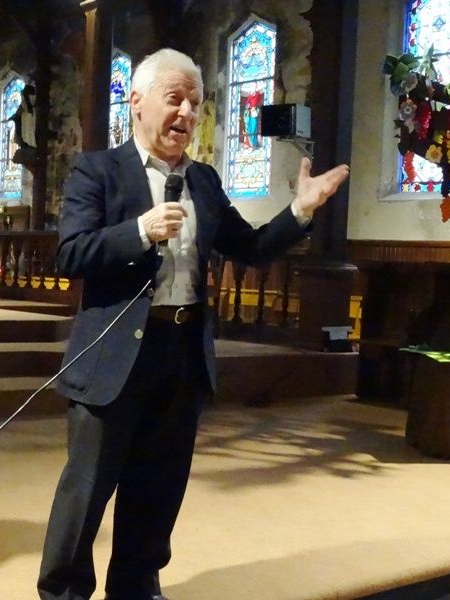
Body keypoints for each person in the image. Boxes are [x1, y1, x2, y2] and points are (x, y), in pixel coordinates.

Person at [37, 48, 349, 600]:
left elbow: (250, 247)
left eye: (196, 103)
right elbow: (70, 254)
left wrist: (300, 210)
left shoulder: (203, 180)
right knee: (87, 490)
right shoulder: (97, 170)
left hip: (181, 351)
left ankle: (136, 587)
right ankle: (63, 593)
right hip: (114, 356)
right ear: (137, 102)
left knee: (158, 486)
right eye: (175, 98)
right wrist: (140, 230)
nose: (186, 112)